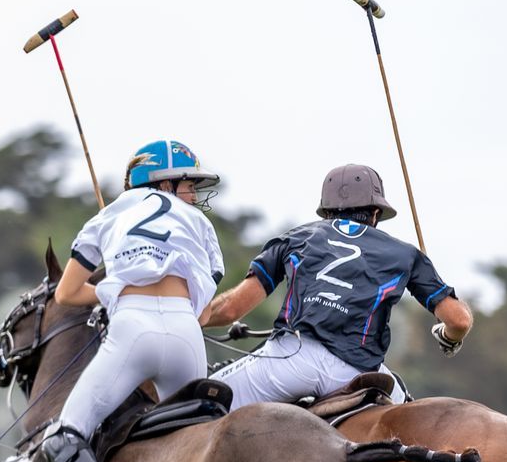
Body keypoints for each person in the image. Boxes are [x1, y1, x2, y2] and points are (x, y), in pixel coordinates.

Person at [39, 139, 224, 462]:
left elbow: (66, 294)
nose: (193, 195)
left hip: (132, 328)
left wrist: (113, 291)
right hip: (184, 332)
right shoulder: (199, 223)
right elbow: (204, 300)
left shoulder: (108, 215)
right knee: (207, 434)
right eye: (188, 184)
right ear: (165, 181)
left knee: (63, 435)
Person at [199, 163, 471, 408]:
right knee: (412, 426)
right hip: (360, 374)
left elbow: (230, 310)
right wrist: (448, 337)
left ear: (326, 212)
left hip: (290, 362)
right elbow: (459, 320)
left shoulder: (296, 238)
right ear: (376, 213)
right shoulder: (406, 254)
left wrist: (185, 319)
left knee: (201, 404)